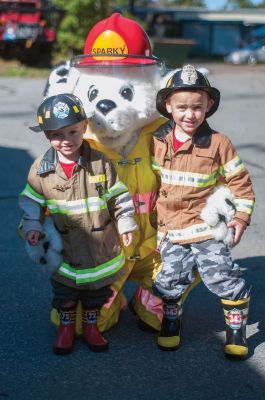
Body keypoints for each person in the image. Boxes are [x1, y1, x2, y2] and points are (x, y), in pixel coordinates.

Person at [19, 93, 137, 355]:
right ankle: (66, 328)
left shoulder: (101, 163)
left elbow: (118, 196)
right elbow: (31, 202)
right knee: (65, 294)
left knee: (96, 293)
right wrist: (33, 227)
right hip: (65, 251)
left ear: (84, 126)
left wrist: (126, 222)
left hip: (99, 249)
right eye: (57, 135)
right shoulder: (41, 169)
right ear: (47, 136)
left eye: (72, 132)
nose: (66, 140)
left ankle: (92, 326)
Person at [151, 64, 255, 358]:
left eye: (197, 107)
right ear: (168, 105)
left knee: (223, 276)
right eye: (181, 106)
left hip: (207, 228)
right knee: (169, 280)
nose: (189, 114)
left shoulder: (219, 143)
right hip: (170, 228)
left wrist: (241, 217)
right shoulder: (157, 141)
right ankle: (172, 319)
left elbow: (241, 184)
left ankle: (236, 328)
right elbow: (148, 180)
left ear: (209, 105)